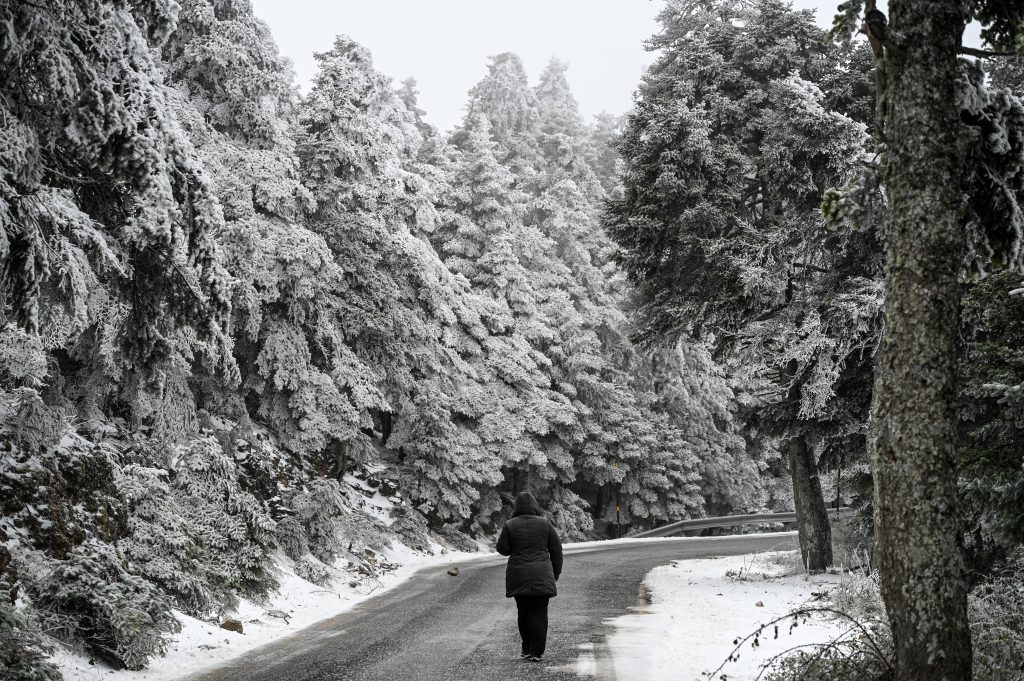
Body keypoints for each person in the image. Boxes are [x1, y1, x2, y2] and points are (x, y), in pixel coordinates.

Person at [496, 491, 563, 662]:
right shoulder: (545, 524)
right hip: (542, 574)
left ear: (516, 507)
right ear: (535, 506)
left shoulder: (510, 525)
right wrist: (554, 573)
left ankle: (527, 648)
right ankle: (537, 652)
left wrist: (515, 545)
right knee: (539, 614)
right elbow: (556, 551)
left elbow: (502, 549)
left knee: (524, 612)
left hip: (518, 575)